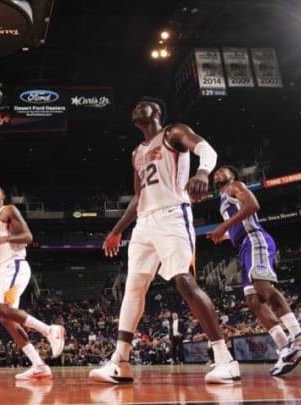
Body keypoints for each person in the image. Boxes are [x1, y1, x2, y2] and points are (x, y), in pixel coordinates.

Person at [90, 97, 240, 384]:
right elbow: (138, 196)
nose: (135, 108)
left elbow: (206, 149)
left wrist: (202, 171)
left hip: (173, 214)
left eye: (141, 105)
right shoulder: (136, 152)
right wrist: (117, 229)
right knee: (133, 288)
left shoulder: (173, 133)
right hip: (144, 223)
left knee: (184, 280)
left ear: (156, 112)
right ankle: (120, 362)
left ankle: (225, 360)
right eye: (133, 106)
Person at [207, 165, 301, 375]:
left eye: (223, 170)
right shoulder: (222, 200)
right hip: (242, 247)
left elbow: (253, 206)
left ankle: (299, 336)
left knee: (262, 286)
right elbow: (237, 225)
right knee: (253, 301)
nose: (218, 174)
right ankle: (286, 348)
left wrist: (224, 226)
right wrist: (224, 234)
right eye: (216, 173)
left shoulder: (236, 186)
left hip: (255, 240)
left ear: (233, 175)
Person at [0, 185, 64, 381]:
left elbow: (28, 237)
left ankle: (50, 330)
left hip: (15, 266)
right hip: (5, 270)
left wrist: (4, 238)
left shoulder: (8, 210)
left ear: (4, 196)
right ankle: (39, 365)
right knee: (7, 319)